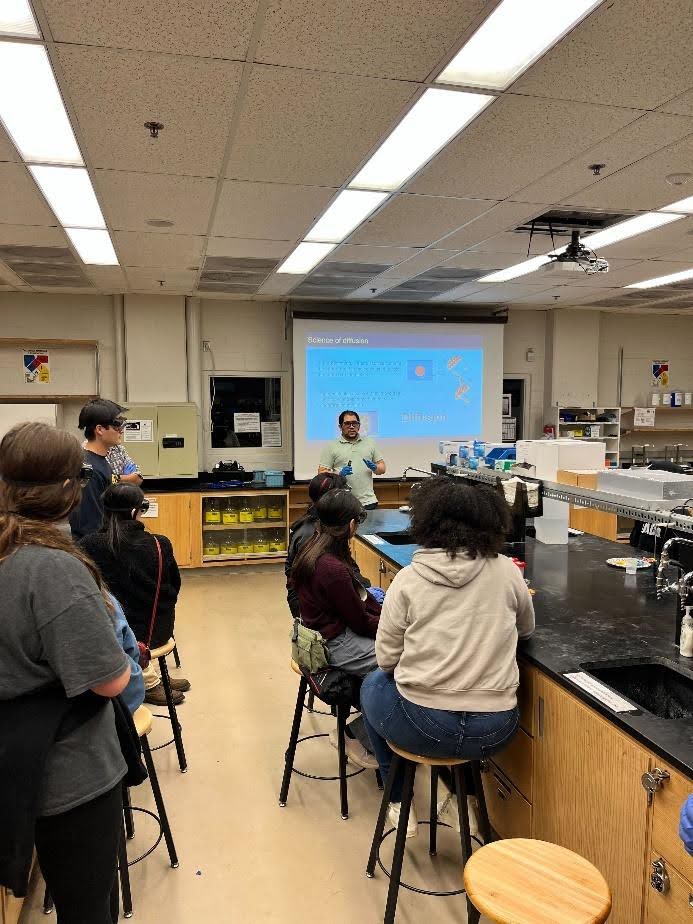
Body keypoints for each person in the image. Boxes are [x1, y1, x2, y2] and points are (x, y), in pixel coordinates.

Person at [0, 422, 132, 923]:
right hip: (66, 771)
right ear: (67, 490)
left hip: (12, 756)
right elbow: (109, 680)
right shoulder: (52, 568)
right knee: (88, 907)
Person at [361, 477, 535, 838]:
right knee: (459, 715)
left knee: (372, 684)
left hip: (424, 725)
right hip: (496, 729)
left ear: (426, 522)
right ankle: (463, 799)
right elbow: (526, 630)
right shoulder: (506, 572)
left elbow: (386, 659)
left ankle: (398, 801)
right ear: (490, 522)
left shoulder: (408, 580)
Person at [291, 488, 382, 767]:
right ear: (352, 525)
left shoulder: (312, 547)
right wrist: (397, 628)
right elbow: (361, 623)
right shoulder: (332, 568)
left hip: (315, 636)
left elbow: (355, 605)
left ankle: (367, 729)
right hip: (335, 644)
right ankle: (358, 736)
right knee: (403, 665)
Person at [80, 483, 190, 708]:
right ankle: (149, 680)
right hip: (156, 630)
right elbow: (174, 588)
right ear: (135, 512)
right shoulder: (159, 544)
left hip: (115, 636)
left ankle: (150, 674)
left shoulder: (87, 545)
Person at [285, 472, 380, 618]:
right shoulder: (311, 534)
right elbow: (325, 584)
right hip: (310, 608)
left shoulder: (324, 525)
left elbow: (347, 566)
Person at [69, 399, 125, 539]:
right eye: (117, 425)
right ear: (99, 429)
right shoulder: (88, 468)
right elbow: (90, 524)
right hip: (92, 548)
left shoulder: (100, 461)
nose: (121, 430)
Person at [318, 410, 385, 509]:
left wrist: (375, 467)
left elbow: (382, 468)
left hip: (368, 501)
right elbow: (321, 473)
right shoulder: (331, 446)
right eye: (347, 423)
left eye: (354, 423)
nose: (351, 426)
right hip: (342, 502)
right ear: (340, 427)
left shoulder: (370, 443)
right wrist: (339, 474)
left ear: (359, 426)